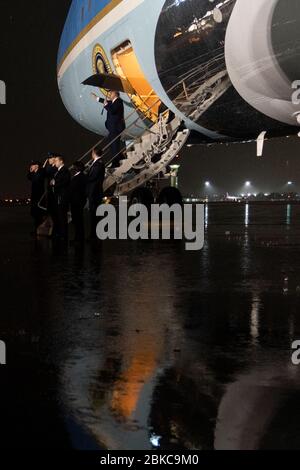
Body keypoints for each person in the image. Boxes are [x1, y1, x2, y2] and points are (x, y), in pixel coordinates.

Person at [91, 90, 125, 167]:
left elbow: (112, 110)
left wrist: (106, 105)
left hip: (116, 127)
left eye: (111, 93)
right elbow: (104, 101)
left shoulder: (119, 102)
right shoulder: (112, 102)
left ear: (115, 94)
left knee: (114, 145)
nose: (109, 94)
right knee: (112, 145)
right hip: (112, 128)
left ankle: (115, 162)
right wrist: (96, 98)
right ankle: (120, 156)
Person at [86, 146, 105, 240]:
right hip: (93, 191)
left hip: (95, 192)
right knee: (93, 214)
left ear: (94, 153)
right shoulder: (96, 163)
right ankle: (93, 234)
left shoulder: (99, 163)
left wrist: (84, 178)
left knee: (94, 214)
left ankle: (94, 235)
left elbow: (93, 177)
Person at [50, 155, 71, 240]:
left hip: (62, 197)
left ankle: (64, 235)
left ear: (61, 161)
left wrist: (54, 183)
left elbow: (65, 182)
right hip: (58, 196)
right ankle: (60, 233)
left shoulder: (64, 170)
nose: (55, 162)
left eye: (56, 161)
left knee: (62, 216)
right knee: (59, 216)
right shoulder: (58, 171)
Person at [69, 161, 87, 244]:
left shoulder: (80, 177)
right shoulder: (80, 176)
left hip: (77, 201)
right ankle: (78, 238)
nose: (72, 169)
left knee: (78, 221)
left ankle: (79, 239)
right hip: (76, 201)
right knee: (77, 221)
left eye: (73, 167)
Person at [27, 161, 45, 235]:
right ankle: (37, 229)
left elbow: (34, 178)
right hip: (35, 197)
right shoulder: (35, 173)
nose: (31, 166)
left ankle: (39, 230)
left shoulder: (40, 173)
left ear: (37, 166)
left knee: (39, 215)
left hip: (39, 197)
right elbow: (29, 177)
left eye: (32, 165)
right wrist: (30, 171)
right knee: (35, 215)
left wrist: (32, 172)